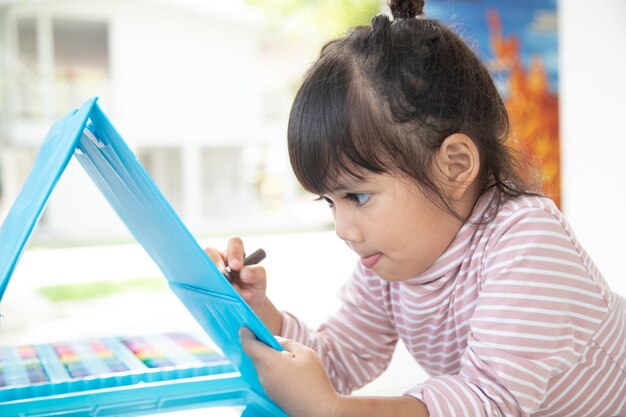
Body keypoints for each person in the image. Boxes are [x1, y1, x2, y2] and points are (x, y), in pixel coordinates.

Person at [205, 0, 626, 415]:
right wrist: (259, 312)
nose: (343, 229)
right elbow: (336, 360)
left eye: (358, 196)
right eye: (330, 202)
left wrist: (332, 410)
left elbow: (488, 403)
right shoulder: (391, 264)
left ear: (455, 165)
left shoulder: (527, 241)